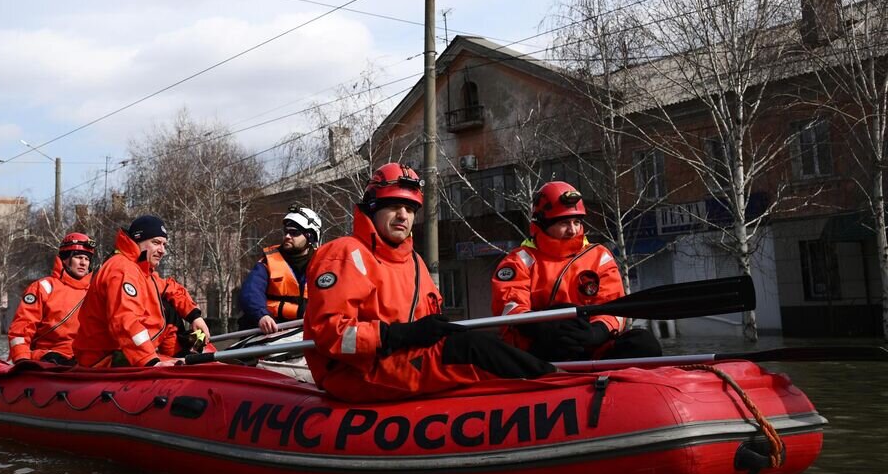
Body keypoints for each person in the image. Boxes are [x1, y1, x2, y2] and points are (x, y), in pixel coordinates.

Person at [304, 163, 554, 402]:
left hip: (400, 360)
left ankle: (554, 380)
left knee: (480, 342)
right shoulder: (344, 254)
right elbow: (330, 335)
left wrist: (427, 333)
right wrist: (397, 335)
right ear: (372, 207)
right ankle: (558, 387)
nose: (403, 215)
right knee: (470, 349)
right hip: (357, 371)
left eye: (411, 209)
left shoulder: (413, 262)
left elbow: (429, 324)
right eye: (394, 205)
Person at [491, 181, 663, 362]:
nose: (572, 230)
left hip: (589, 344)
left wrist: (596, 332)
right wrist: (547, 328)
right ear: (542, 223)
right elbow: (511, 308)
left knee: (644, 343)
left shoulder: (599, 257)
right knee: (562, 315)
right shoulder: (519, 261)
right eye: (564, 223)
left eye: (577, 222)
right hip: (540, 349)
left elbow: (612, 307)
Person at [73, 215, 212, 368]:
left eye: (164, 245)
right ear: (138, 240)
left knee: (190, 331)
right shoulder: (123, 270)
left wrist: (194, 316)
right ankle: (188, 356)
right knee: (169, 315)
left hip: (137, 349)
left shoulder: (143, 272)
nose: (162, 251)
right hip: (107, 358)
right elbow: (125, 322)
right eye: (156, 243)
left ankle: (191, 352)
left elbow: (170, 288)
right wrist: (151, 362)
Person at [7, 232, 96, 365]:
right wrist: (22, 358)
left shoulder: (94, 292)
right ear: (65, 259)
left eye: (87, 259)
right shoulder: (43, 287)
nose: (83, 263)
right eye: (78, 257)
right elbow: (22, 327)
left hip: (84, 357)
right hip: (50, 356)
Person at [238, 205, 322, 334]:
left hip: (308, 328)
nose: (287, 236)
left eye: (294, 233)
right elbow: (250, 292)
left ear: (310, 236)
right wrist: (262, 315)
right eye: (286, 232)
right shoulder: (268, 261)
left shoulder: (324, 262)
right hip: (272, 327)